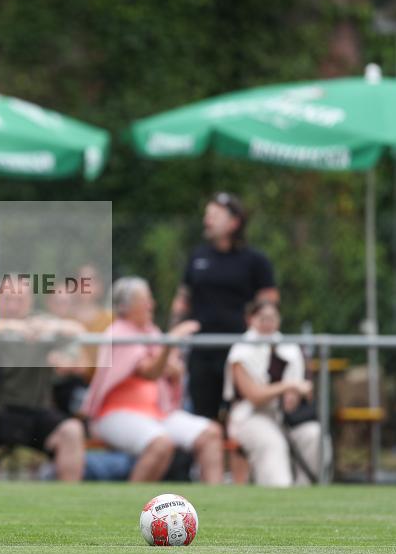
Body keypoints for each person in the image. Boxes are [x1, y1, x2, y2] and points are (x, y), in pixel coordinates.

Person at [85, 277, 223, 483]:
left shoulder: (151, 332)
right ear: (126, 307)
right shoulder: (119, 333)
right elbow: (150, 372)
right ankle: (132, 504)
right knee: (160, 444)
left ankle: (216, 505)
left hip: (157, 412)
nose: (151, 305)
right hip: (115, 413)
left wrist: (172, 365)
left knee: (211, 434)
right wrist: (169, 344)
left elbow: (168, 370)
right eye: (145, 300)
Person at [0, 275, 86, 482]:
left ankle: (70, 504)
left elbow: (78, 329)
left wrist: (50, 328)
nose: (14, 305)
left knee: (72, 431)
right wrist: (11, 327)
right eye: (8, 299)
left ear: (30, 301)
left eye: (20, 300)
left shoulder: (41, 324)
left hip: (35, 411)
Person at [171, 192, 278, 420]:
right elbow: (182, 299)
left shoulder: (255, 260)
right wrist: (173, 337)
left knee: (239, 416)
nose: (207, 220)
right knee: (202, 417)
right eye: (206, 215)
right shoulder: (197, 256)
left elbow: (269, 302)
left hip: (239, 351)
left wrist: (258, 329)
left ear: (234, 222)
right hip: (202, 351)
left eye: (214, 215)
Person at [224, 300, 321, 486]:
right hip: (249, 417)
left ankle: (307, 494)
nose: (268, 323)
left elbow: (295, 398)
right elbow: (254, 396)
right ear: (250, 319)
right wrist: (287, 386)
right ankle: (279, 495)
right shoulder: (240, 350)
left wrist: (292, 398)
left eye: (272, 318)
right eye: (263, 318)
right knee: (272, 443)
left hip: (282, 417)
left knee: (313, 435)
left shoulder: (290, 350)